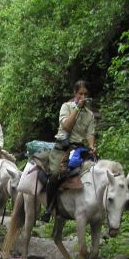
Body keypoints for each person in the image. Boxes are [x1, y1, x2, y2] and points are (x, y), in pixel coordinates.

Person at [41, 80, 97, 222]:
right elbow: (66, 126)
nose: (83, 96)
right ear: (75, 93)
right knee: (55, 174)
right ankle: (49, 208)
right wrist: (77, 108)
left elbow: (90, 133)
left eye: (85, 94)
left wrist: (92, 146)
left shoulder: (90, 115)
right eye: (80, 94)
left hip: (79, 147)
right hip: (63, 146)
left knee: (98, 169)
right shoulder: (66, 107)